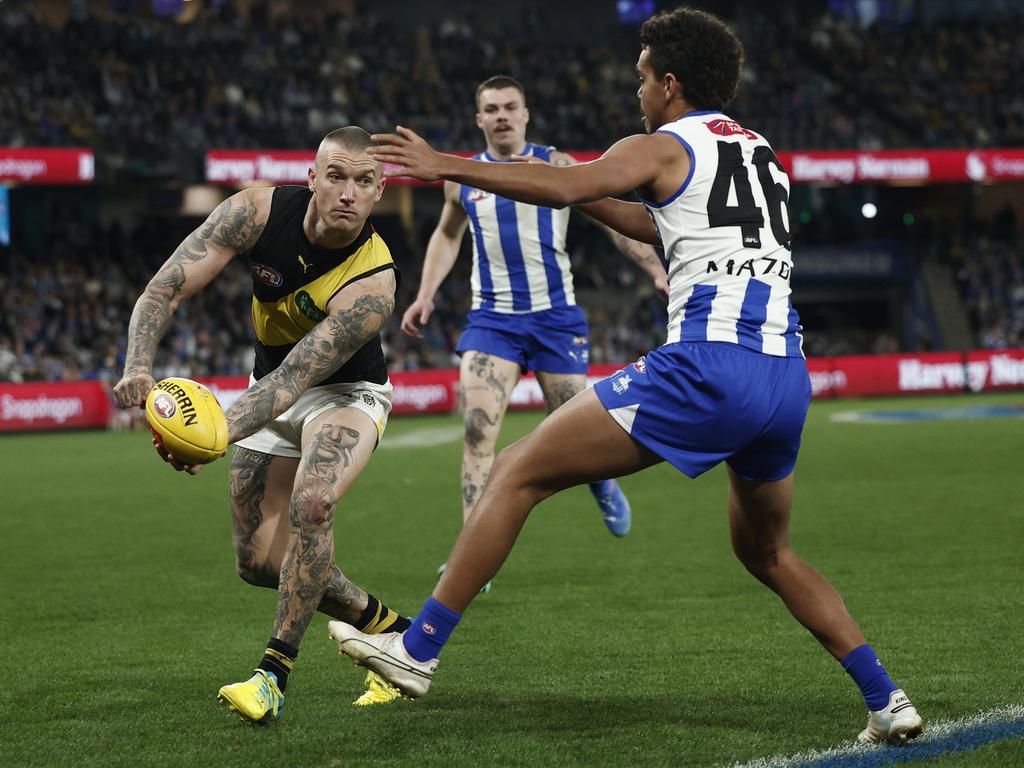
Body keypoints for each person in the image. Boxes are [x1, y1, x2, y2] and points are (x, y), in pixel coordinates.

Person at [329, 8, 925, 745]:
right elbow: (659, 224)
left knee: (514, 470)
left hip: (707, 368)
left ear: (671, 84)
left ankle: (415, 651)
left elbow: (570, 188)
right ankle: (886, 697)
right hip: (784, 379)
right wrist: (586, 195)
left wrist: (447, 166)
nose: (635, 89)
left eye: (642, 77)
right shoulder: (759, 151)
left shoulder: (662, 143)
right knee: (767, 552)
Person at [114, 126, 409, 721]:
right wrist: (138, 368)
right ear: (311, 178)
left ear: (380, 191)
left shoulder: (374, 284)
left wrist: (212, 432)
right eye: (336, 176)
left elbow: (294, 382)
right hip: (266, 385)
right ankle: (394, 632)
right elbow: (166, 287)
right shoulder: (255, 210)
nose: (347, 192)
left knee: (314, 502)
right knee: (258, 565)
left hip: (343, 394)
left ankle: (272, 675)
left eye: (363, 181)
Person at [401, 76, 668, 563]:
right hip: (492, 321)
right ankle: (470, 559)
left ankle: (602, 484)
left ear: (526, 115)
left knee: (577, 431)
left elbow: (610, 220)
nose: (501, 115)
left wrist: (654, 268)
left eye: (510, 107)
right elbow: (446, 235)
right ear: (478, 119)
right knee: (479, 434)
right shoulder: (463, 179)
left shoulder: (558, 166)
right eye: (491, 108)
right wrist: (426, 294)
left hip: (556, 319)